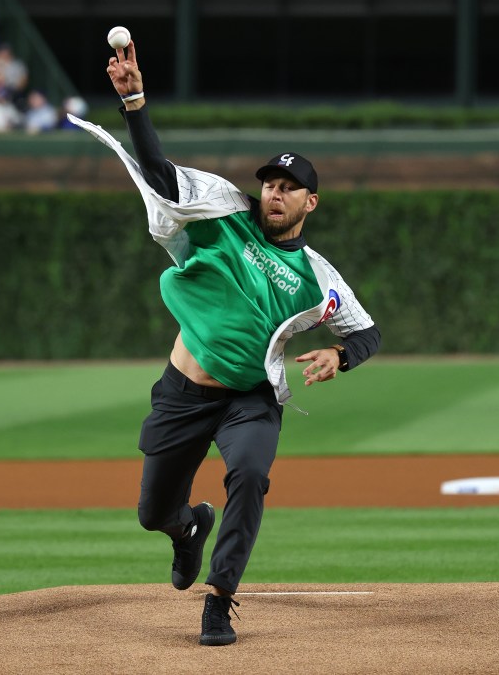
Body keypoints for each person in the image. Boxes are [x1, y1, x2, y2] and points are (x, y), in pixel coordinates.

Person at [69, 40, 381, 646]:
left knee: (250, 474)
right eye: (270, 182)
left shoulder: (321, 278)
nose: (274, 192)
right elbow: (160, 177)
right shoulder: (222, 211)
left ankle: (219, 598)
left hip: (250, 399)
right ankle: (187, 531)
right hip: (184, 392)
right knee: (152, 513)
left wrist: (341, 354)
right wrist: (134, 101)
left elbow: (366, 331)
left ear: (309, 202)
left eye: (289, 187)